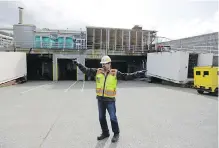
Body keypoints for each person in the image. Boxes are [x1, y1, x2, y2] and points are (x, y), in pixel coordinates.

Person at [72, 55, 146, 143]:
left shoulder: (115, 73)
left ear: (109, 64)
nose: (103, 65)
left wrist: (137, 74)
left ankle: (116, 133)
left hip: (110, 100)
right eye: (102, 64)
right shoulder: (98, 71)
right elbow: (86, 70)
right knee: (101, 118)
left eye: (105, 64)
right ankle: (105, 133)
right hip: (100, 100)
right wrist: (78, 64)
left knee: (113, 118)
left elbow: (127, 76)